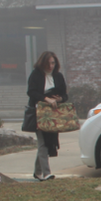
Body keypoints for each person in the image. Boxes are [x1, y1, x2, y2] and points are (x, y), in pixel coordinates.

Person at [26, 51, 67, 181]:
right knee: (42, 143)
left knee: (49, 143)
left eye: (53, 63)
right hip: (39, 112)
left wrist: (59, 99)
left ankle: (37, 171)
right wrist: (45, 99)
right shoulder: (36, 75)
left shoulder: (58, 76)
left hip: (53, 114)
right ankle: (46, 173)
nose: (51, 66)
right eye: (48, 63)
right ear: (42, 63)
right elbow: (31, 92)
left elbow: (65, 95)